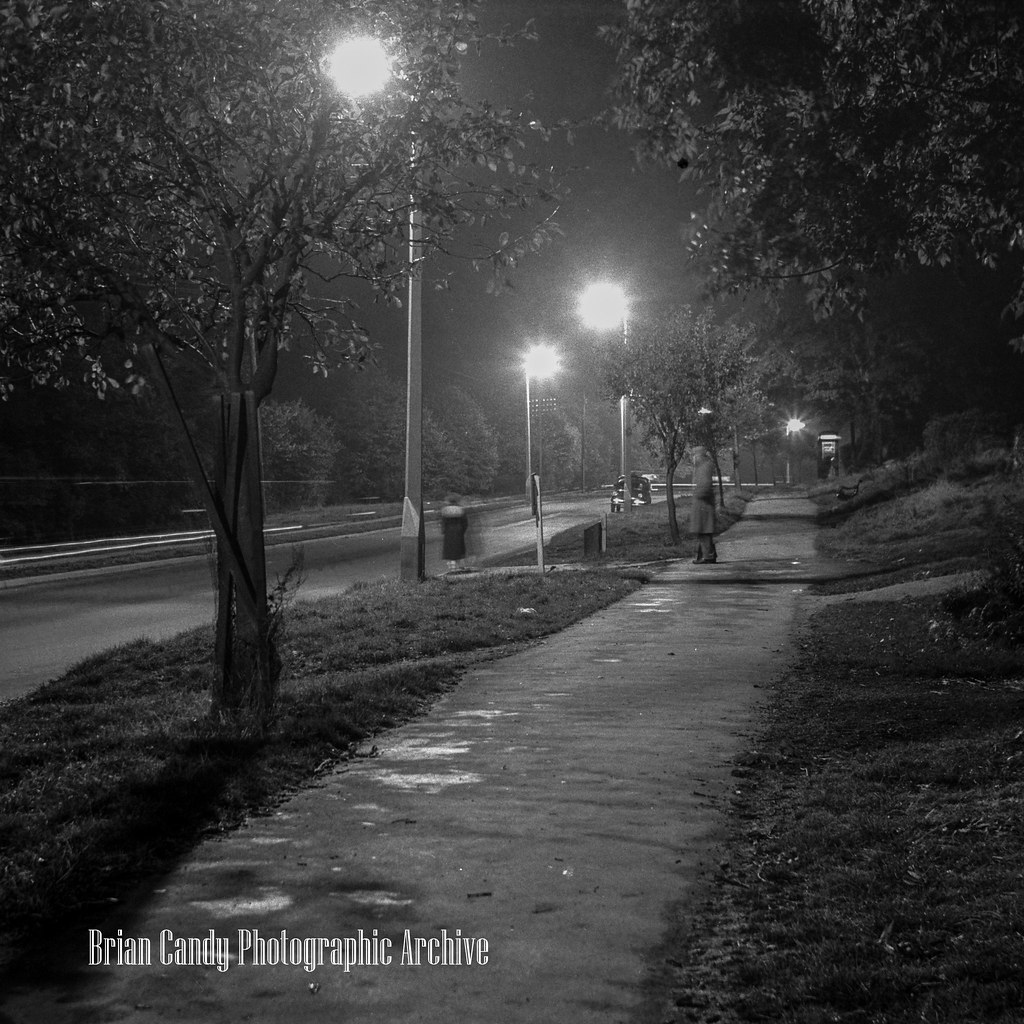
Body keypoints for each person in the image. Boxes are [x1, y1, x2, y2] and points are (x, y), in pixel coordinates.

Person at [689, 447, 717, 564]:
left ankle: (708, 556)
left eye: (694, 455)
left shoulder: (703, 467)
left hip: (703, 505)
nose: (693, 458)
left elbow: (704, 485)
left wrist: (697, 494)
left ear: (699, 456)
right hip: (703, 505)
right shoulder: (705, 466)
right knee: (703, 531)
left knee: (704, 531)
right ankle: (704, 555)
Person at [440, 494, 469, 571]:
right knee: (459, 549)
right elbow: (465, 523)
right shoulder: (461, 509)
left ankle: (452, 566)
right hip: (459, 531)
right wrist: (462, 530)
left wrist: (443, 530)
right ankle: (460, 565)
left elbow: (443, 522)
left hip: (449, 531)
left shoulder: (445, 510)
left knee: (450, 549)